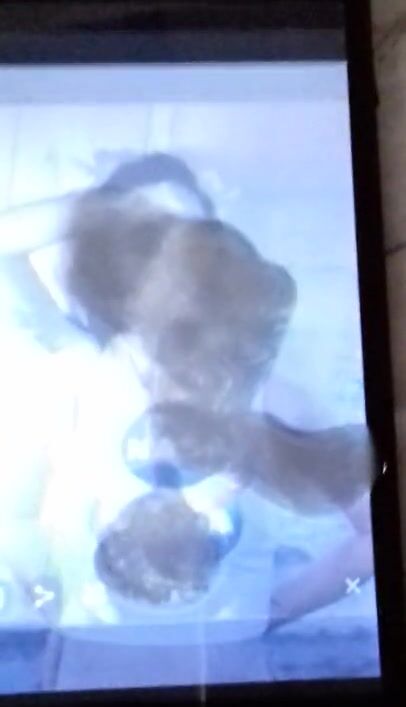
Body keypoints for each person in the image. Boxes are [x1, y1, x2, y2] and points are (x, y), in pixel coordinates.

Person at [0, 152, 375, 688]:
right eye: (146, 237)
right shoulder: (81, 367)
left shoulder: (269, 396)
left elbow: (374, 537)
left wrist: (273, 611)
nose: (168, 254)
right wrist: (104, 208)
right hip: (85, 673)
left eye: (189, 238)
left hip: (224, 675)